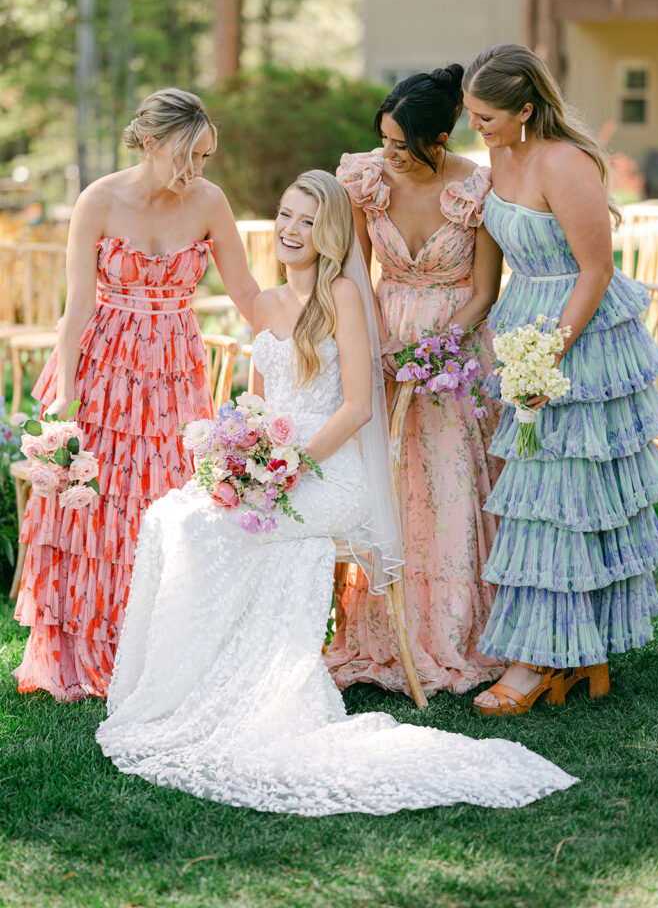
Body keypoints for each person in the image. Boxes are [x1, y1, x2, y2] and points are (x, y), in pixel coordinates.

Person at [95, 169, 577, 814]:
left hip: (330, 473)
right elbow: (258, 403)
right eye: (286, 216)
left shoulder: (347, 296)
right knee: (171, 516)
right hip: (273, 466)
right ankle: (184, 687)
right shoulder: (265, 304)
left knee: (214, 527)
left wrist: (288, 466)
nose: (292, 232)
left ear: (329, 235)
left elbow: (354, 408)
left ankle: (245, 687)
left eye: (307, 222)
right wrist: (242, 457)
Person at [14, 87, 259, 702]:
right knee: (94, 509)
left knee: (163, 505)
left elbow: (250, 297)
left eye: (206, 158)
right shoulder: (98, 200)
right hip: (103, 370)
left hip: (175, 375)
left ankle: (158, 646)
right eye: (190, 156)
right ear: (151, 143)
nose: (198, 171)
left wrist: (317, 317)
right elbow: (76, 310)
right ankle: (89, 650)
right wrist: (64, 400)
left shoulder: (209, 202)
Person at [462, 44, 658, 716]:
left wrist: (546, 355)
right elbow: (489, 268)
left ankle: (535, 663)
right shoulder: (497, 159)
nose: (478, 128)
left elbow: (595, 271)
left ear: (525, 109)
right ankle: (576, 653)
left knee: (562, 500)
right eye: (471, 115)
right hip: (521, 327)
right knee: (533, 495)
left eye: (488, 116)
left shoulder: (564, 162)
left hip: (575, 338)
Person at [324, 65, 504, 696]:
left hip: (455, 352)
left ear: (441, 137)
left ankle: (451, 631)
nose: (390, 154)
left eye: (403, 145)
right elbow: (355, 272)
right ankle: (379, 631)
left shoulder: (477, 190)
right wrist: (377, 350)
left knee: (451, 484)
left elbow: (484, 291)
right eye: (386, 140)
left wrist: (436, 351)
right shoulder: (367, 179)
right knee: (389, 481)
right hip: (382, 337)